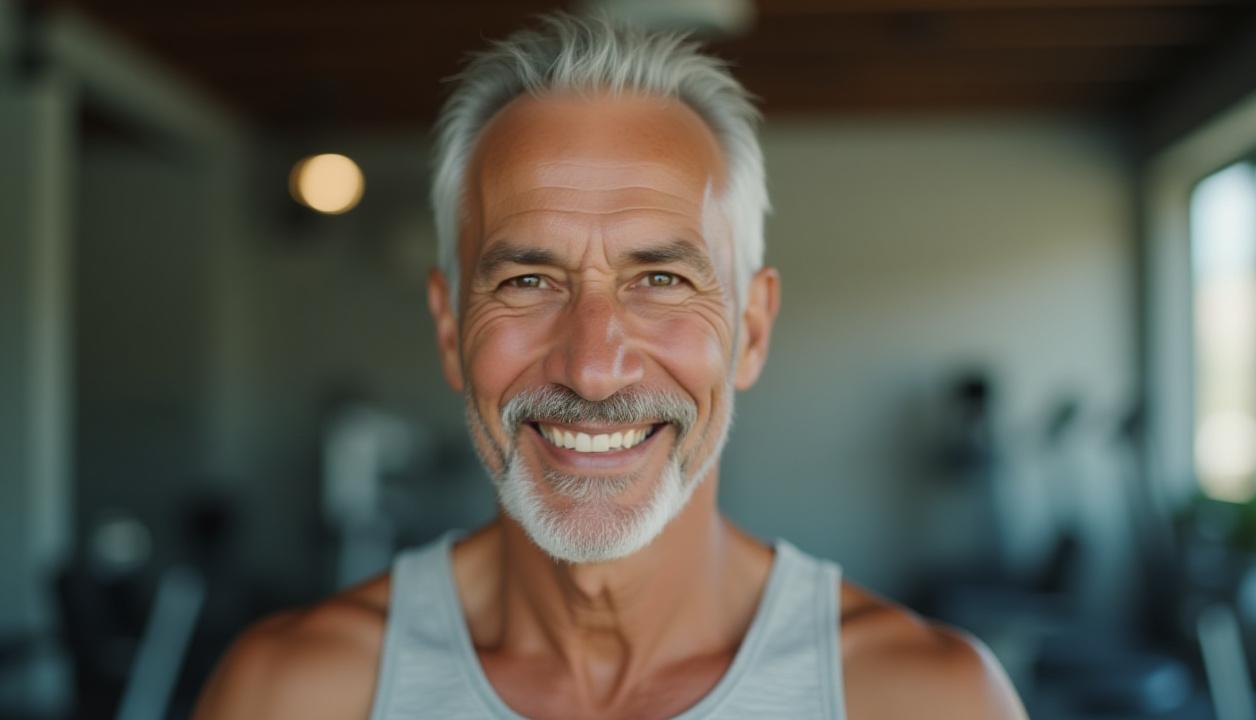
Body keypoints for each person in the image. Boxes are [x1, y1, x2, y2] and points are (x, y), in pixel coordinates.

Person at [194, 13, 1027, 720]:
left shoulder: (927, 700)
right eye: (528, 280)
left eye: (660, 279)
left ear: (753, 328)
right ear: (450, 330)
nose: (593, 368)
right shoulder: (296, 695)